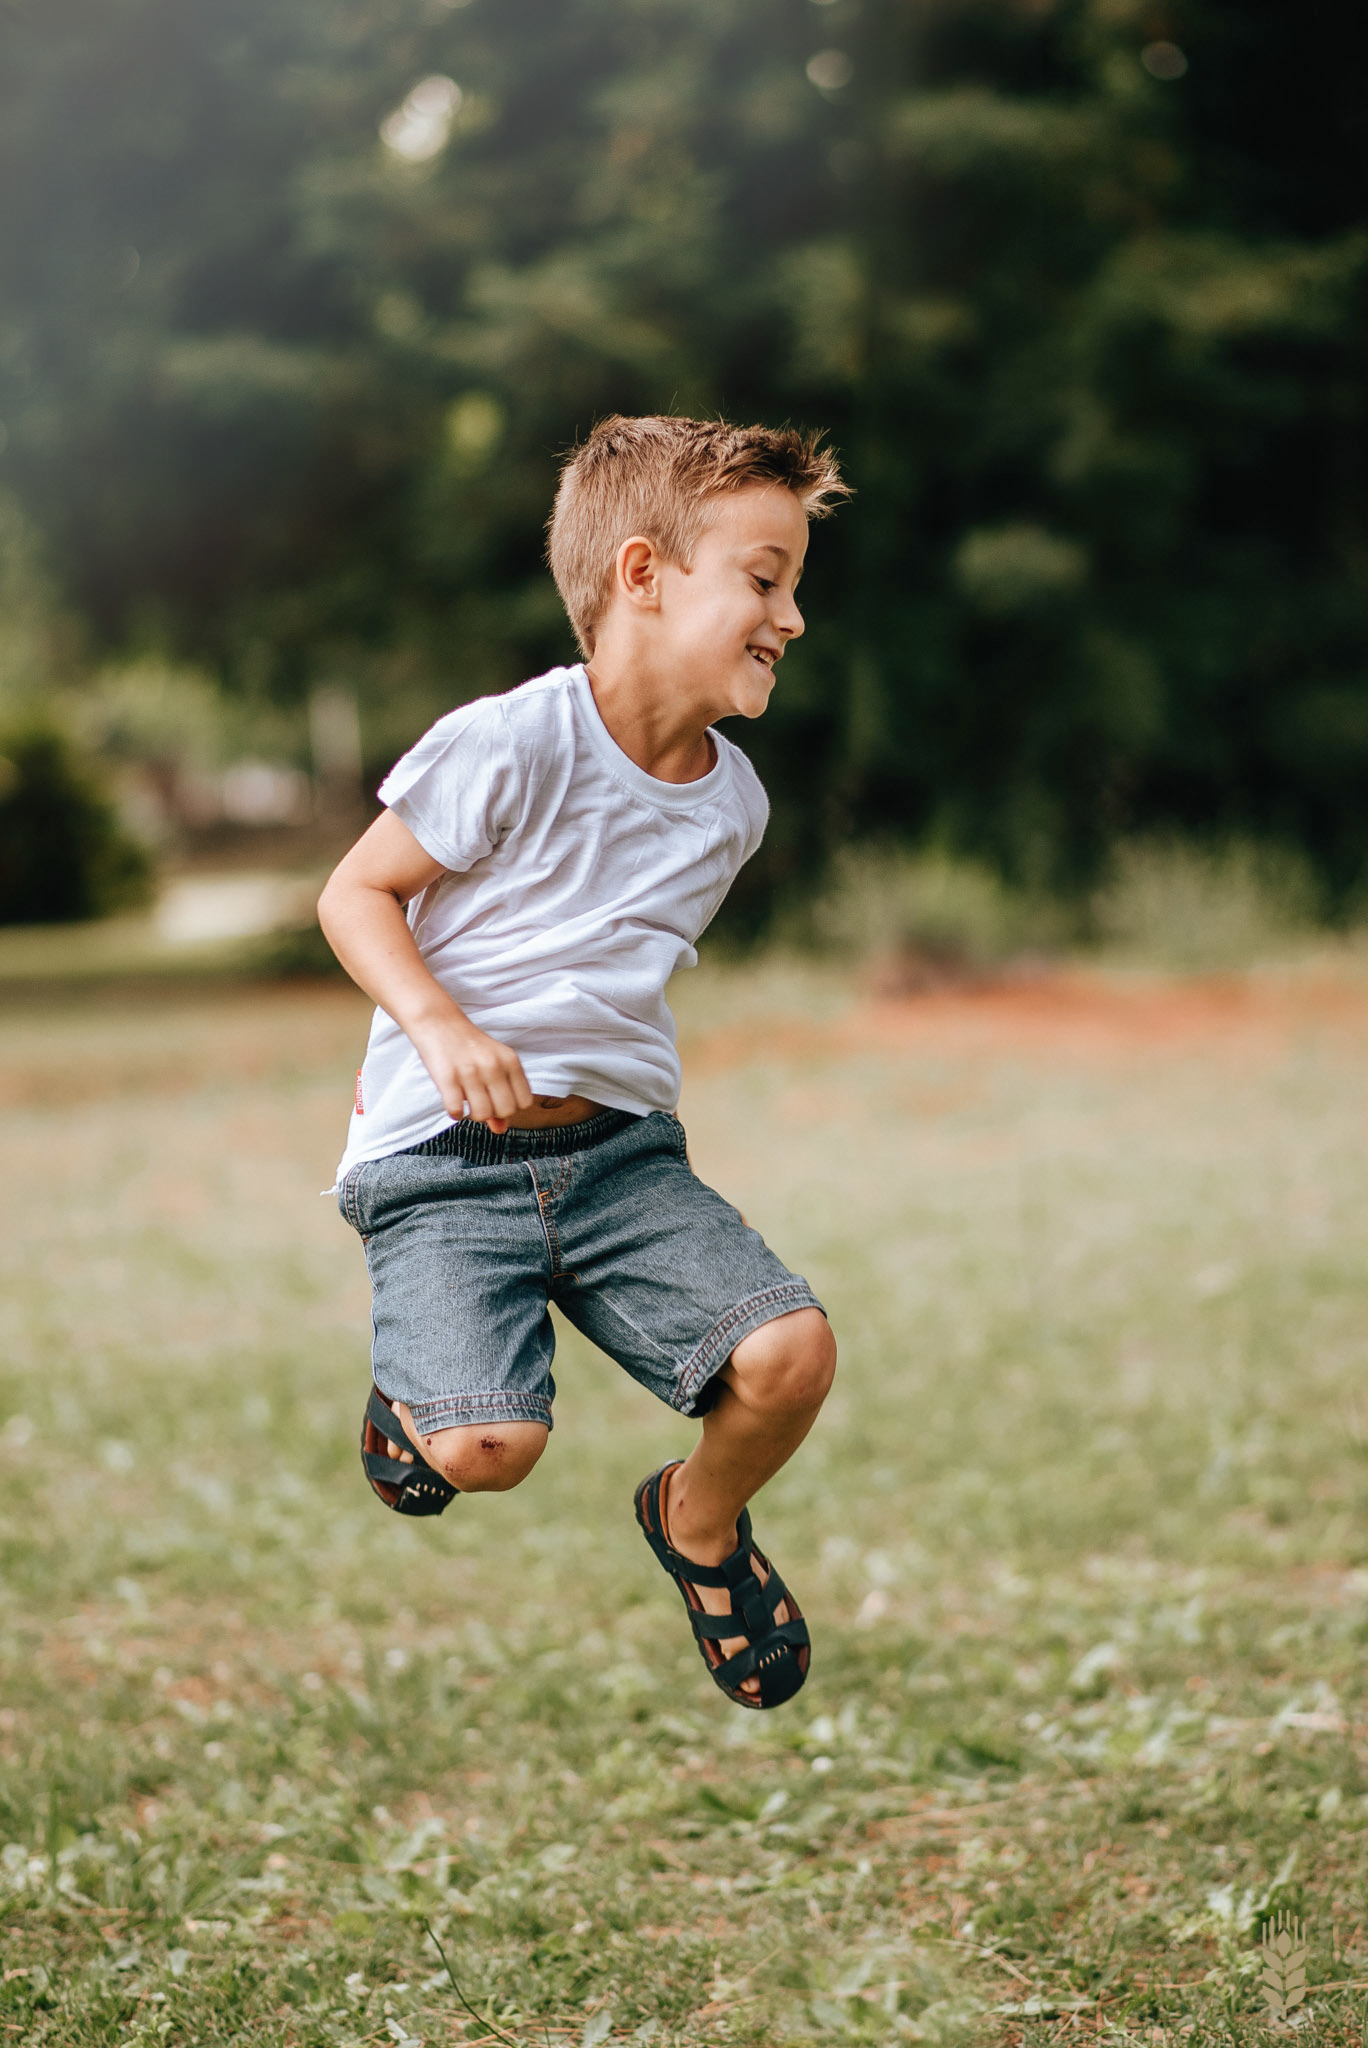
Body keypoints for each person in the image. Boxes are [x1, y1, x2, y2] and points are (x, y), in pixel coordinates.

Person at [318, 414, 846, 1709]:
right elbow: (357, 896)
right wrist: (429, 1035)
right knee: (487, 1449)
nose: (790, 617)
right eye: (764, 579)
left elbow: (599, 970)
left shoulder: (732, 805)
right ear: (644, 574)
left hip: (616, 1160)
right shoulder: (509, 742)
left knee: (790, 1354)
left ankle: (698, 1522)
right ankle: (423, 1385)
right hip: (444, 1164)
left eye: (794, 587)